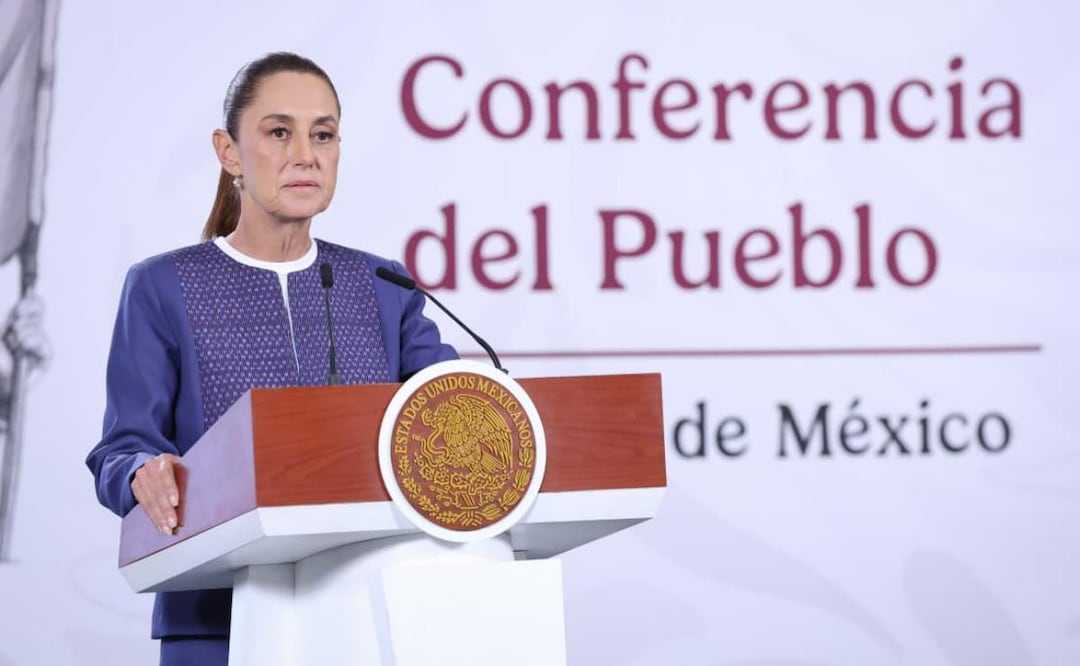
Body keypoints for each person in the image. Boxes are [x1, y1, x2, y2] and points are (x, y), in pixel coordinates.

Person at [85, 52, 458, 665]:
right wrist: (140, 473)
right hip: (215, 620)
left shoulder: (383, 285)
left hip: (373, 613)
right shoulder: (162, 286)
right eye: (279, 132)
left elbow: (455, 404)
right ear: (229, 152)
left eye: (324, 134)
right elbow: (121, 448)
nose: (305, 154)